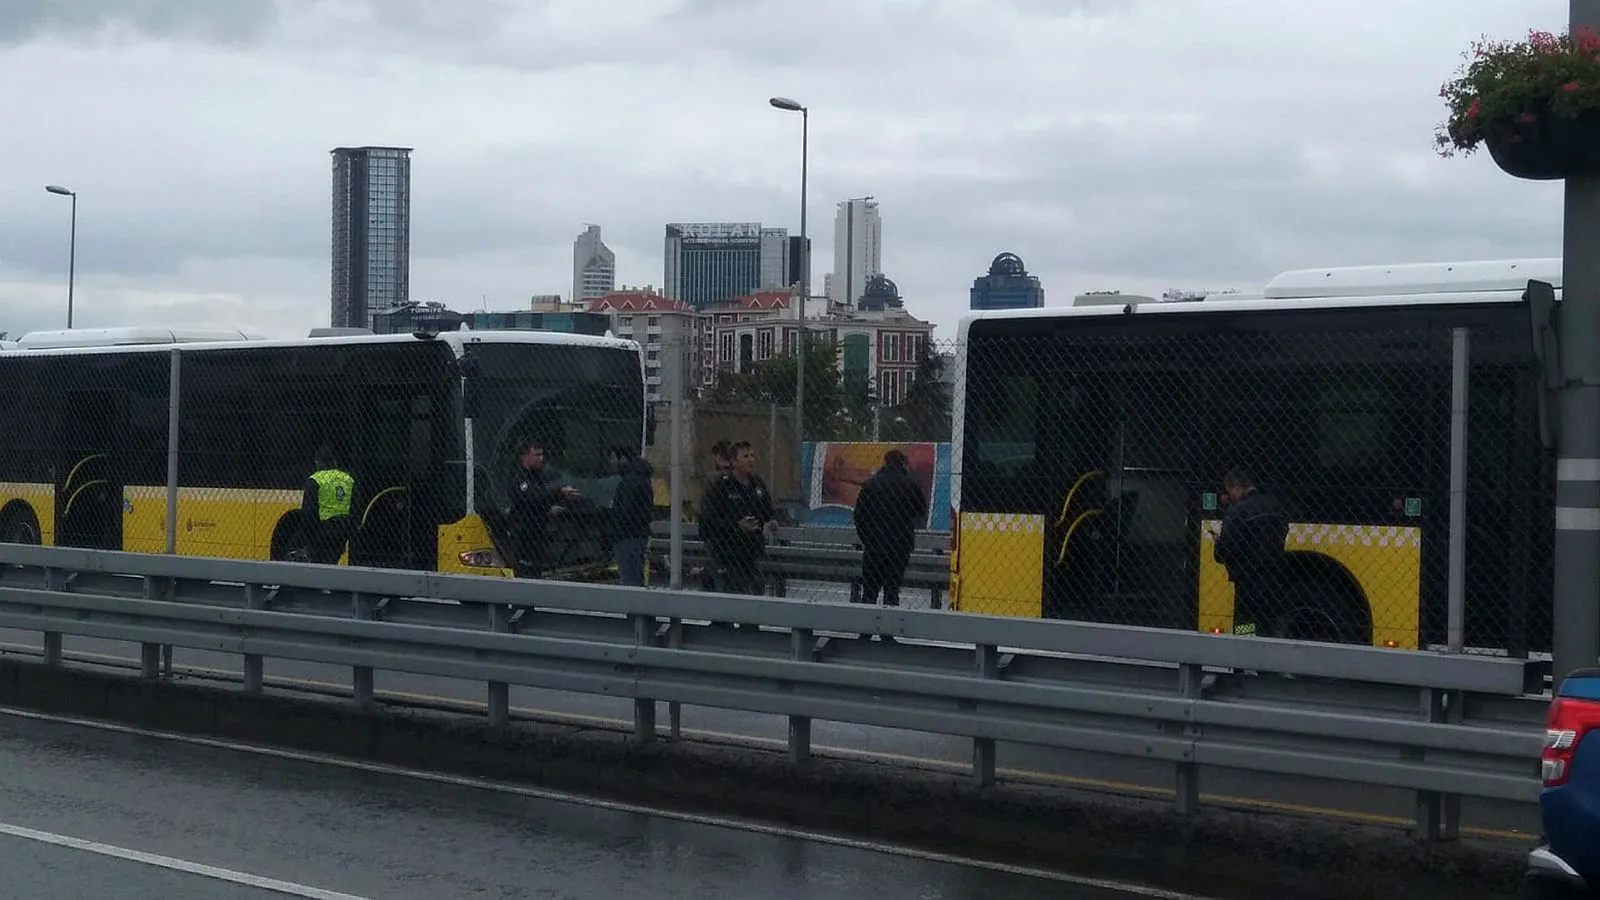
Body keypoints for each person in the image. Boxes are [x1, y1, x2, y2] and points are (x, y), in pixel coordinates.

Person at [1211, 467, 1290, 637]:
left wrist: (1218, 543)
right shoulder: (1274, 506)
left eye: (1228, 490)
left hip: (1248, 583)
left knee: (1245, 627)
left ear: (1236, 486)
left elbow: (1225, 550)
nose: (1228, 496)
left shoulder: (1237, 512)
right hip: (1275, 579)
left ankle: (1244, 658)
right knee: (1269, 627)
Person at [852, 449, 928, 608]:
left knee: (870, 591)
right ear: (903, 463)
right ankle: (888, 629)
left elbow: (859, 515)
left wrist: (867, 538)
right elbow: (921, 510)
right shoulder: (910, 485)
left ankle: (865, 630)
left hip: (875, 545)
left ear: (885, 462)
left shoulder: (871, 484)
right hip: (899, 545)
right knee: (892, 590)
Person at [701, 440, 776, 596]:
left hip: (752, 551)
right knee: (734, 592)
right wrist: (736, 526)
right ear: (734, 461)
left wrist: (772, 521)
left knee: (756, 592)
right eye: (745, 456)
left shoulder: (758, 484)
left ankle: (749, 621)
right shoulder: (722, 487)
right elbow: (709, 520)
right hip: (728, 553)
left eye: (752, 455)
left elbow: (768, 511)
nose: (750, 459)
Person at [505, 437, 580, 579]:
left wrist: (550, 508)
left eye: (542, 454)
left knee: (536, 572)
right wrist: (559, 492)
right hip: (524, 536)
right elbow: (533, 497)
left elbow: (537, 502)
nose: (541, 458)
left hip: (537, 534)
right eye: (537, 455)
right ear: (525, 456)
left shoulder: (536, 476)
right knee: (525, 574)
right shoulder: (520, 477)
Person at [298, 446, 355, 565]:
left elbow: (309, 511)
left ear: (317, 462)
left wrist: (307, 537)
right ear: (334, 462)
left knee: (319, 564)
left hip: (323, 529)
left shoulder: (315, 479)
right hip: (344, 528)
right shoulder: (348, 478)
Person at [609, 447, 654, 587]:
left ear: (622, 458)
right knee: (635, 575)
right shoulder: (642, 478)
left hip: (627, 536)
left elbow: (626, 512)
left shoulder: (629, 482)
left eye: (613, 458)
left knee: (630, 578)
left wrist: (612, 517)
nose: (612, 463)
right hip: (637, 534)